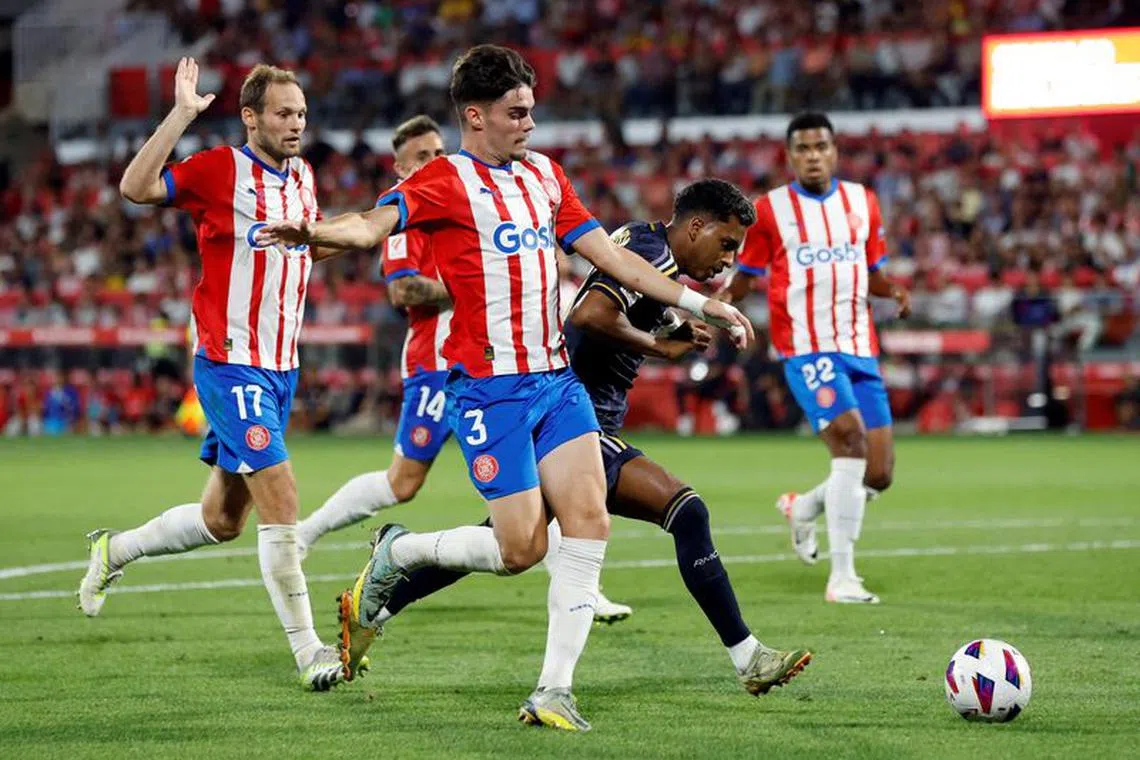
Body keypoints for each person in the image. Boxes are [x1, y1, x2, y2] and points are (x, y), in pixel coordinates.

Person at [258, 45, 752, 731]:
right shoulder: (444, 180)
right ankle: (398, 553)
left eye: (531, 111)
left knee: (588, 524)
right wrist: (314, 230)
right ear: (475, 115)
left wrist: (704, 305)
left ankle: (553, 691)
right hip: (488, 391)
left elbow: (610, 260)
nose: (530, 125)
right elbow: (370, 225)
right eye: (517, 113)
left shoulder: (546, 177)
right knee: (520, 550)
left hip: (555, 382)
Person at [337, 179, 812, 700]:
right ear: (696, 226)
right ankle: (746, 656)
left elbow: (615, 306)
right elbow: (588, 316)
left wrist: (670, 323)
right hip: (570, 417)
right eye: (727, 243)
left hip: (570, 414)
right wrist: (657, 343)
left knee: (507, 545)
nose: (729, 259)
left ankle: (380, 598)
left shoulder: (645, 243)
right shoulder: (653, 254)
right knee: (686, 510)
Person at [293, 115, 633, 624]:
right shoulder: (408, 212)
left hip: (515, 365)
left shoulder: (479, 195)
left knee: (553, 481)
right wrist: (488, 282)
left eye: (437, 151)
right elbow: (402, 291)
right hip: (439, 366)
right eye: (421, 157)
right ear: (402, 166)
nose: (434, 161)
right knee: (404, 483)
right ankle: (310, 532)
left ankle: (583, 584)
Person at [77, 59, 347, 691]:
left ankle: (113, 551)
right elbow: (137, 188)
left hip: (283, 365)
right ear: (251, 116)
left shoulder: (304, 176)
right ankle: (310, 653)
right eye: (283, 113)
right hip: (231, 360)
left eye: (301, 113)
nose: (295, 124)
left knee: (224, 520)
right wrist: (181, 115)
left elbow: (310, 246)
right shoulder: (220, 167)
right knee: (280, 494)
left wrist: (371, 232)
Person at [720, 112, 911, 605]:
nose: (812, 156)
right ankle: (842, 577)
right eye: (802, 148)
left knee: (879, 473)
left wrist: (893, 291)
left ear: (834, 151)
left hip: (860, 345)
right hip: (805, 345)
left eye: (820, 146)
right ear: (789, 156)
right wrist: (717, 306)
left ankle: (803, 507)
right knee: (849, 443)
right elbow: (747, 275)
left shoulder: (862, 202)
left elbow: (872, 271)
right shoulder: (770, 211)